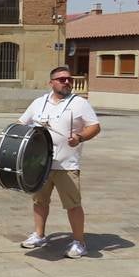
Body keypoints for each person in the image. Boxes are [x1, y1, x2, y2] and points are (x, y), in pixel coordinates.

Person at [19, 66, 101, 259]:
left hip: (67, 164)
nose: (66, 82)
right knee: (39, 201)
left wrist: (80, 137)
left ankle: (79, 242)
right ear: (52, 82)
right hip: (41, 164)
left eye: (69, 79)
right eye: (62, 79)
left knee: (73, 205)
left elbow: (95, 127)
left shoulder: (79, 103)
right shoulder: (39, 103)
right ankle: (39, 235)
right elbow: (22, 124)